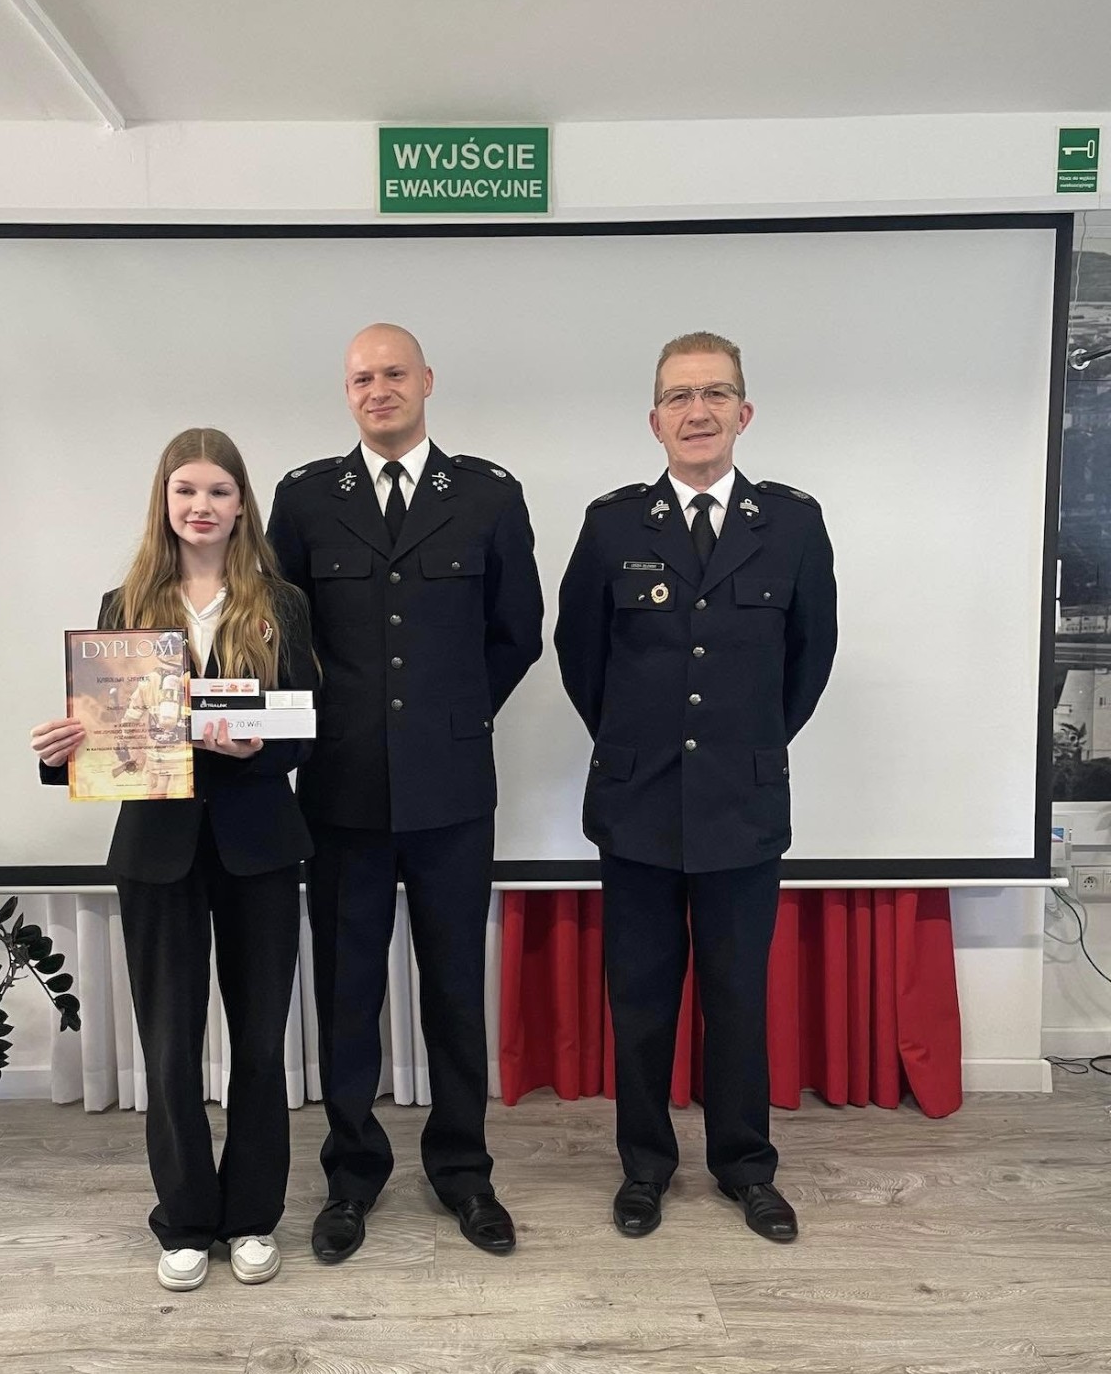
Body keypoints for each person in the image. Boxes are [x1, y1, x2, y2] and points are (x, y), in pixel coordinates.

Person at [267, 324, 544, 1263]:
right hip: (341, 787)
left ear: (427, 381)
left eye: (394, 374)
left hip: (452, 788)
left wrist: (451, 714)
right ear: (345, 392)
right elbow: (280, 634)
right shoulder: (306, 499)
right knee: (346, 993)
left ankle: (463, 1171)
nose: (378, 389)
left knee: (455, 990)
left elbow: (517, 631)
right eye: (361, 378)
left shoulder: (487, 495)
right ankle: (352, 1175)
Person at [554, 332, 837, 1243]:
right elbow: (580, 655)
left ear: (743, 412)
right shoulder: (613, 525)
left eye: (715, 394)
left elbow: (809, 660)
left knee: (737, 999)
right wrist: (634, 744)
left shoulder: (791, 524)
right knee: (639, 1000)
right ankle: (645, 1168)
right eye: (679, 396)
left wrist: (743, 746)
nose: (697, 411)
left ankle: (745, 1167)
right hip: (637, 802)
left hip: (741, 804)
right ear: (655, 420)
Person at [31, 428, 314, 1291]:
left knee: (259, 1043)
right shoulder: (123, 605)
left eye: (219, 491)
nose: (202, 506)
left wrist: (254, 750)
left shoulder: (281, 603)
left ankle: (252, 1217)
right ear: (165, 500)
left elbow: (304, 727)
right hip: (157, 850)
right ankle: (186, 1220)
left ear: (242, 505)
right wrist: (62, 754)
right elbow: (111, 737)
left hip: (260, 846)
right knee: (169, 1043)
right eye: (186, 490)